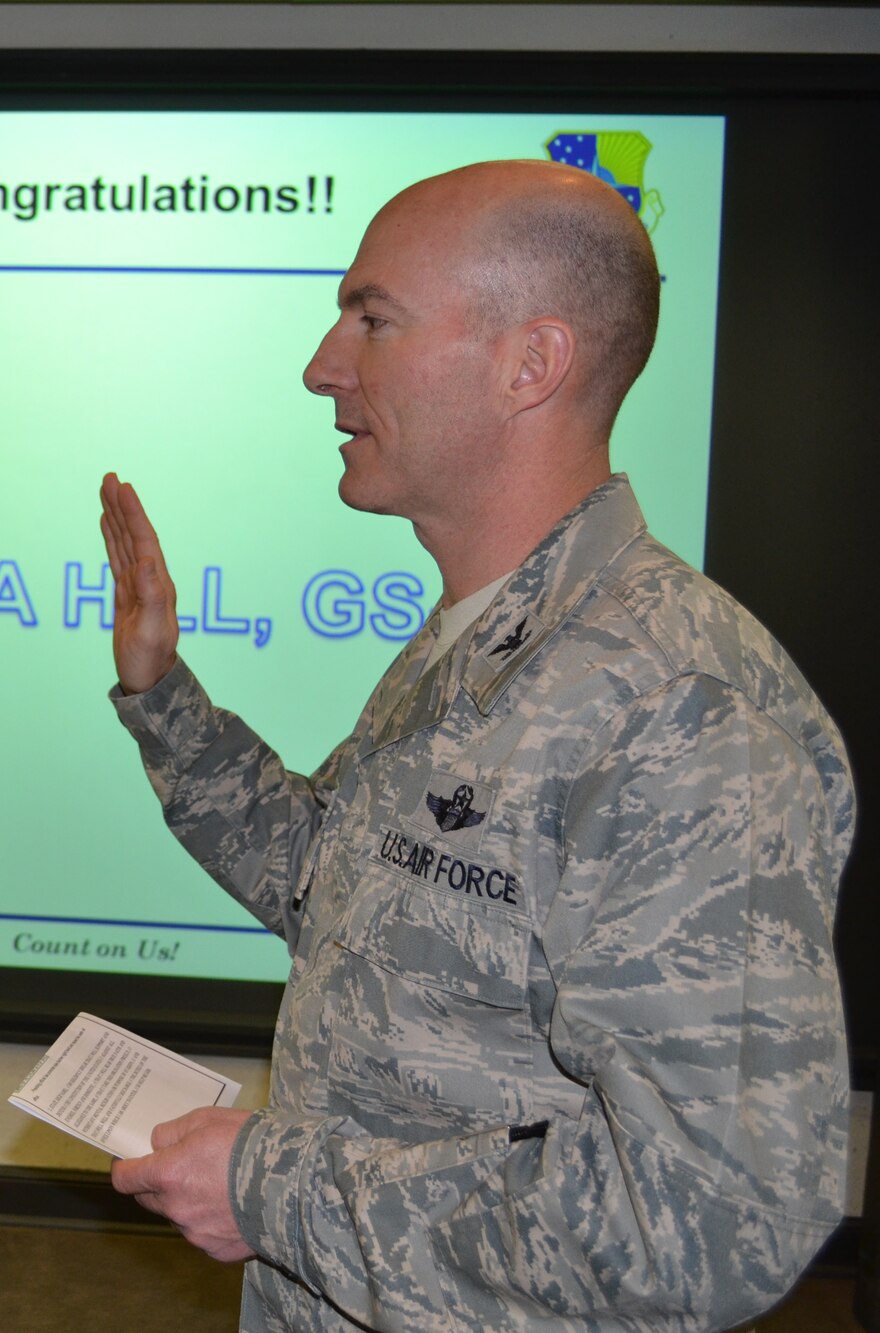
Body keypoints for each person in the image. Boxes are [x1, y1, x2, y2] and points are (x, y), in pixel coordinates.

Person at [99, 160, 855, 1330]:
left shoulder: (680, 709)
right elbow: (339, 893)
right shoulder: (480, 640)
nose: (322, 365)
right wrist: (160, 694)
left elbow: (703, 1219)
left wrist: (271, 1187)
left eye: (372, 317)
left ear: (530, 364)